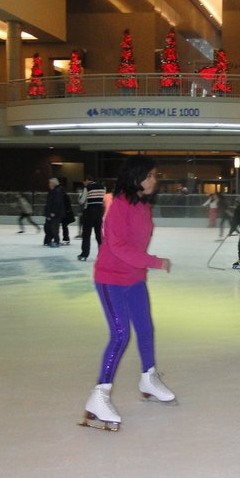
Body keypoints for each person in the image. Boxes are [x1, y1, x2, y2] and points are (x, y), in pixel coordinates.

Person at [80, 155, 174, 432]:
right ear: (136, 178)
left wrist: (145, 265)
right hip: (111, 279)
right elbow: (119, 247)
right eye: (151, 175)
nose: (155, 180)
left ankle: (149, 377)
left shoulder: (143, 205)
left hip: (135, 279)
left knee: (145, 328)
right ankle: (99, 395)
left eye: (155, 175)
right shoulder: (119, 206)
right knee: (121, 334)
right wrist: (155, 262)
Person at [78, 176, 106, 261]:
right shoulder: (103, 187)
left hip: (89, 212)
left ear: (87, 180)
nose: (84, 184)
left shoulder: (87, 187)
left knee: (86, 234)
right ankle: (102, 254)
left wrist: (80, 195)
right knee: (99, 235)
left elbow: (81, 201)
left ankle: (84, 254)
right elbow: (103, 200)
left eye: (84, 182)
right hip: (99, 212)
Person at [43, 177, 65, 247]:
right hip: (51, 213)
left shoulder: (57, 191)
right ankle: (48, 241)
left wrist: (53, 212)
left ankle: (56, 241)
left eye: (50, 183)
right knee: (48, 227)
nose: (49, 184)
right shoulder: (52, 191)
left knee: (54, 227)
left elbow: (57, 203)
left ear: (53, 183)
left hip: (55, 213)